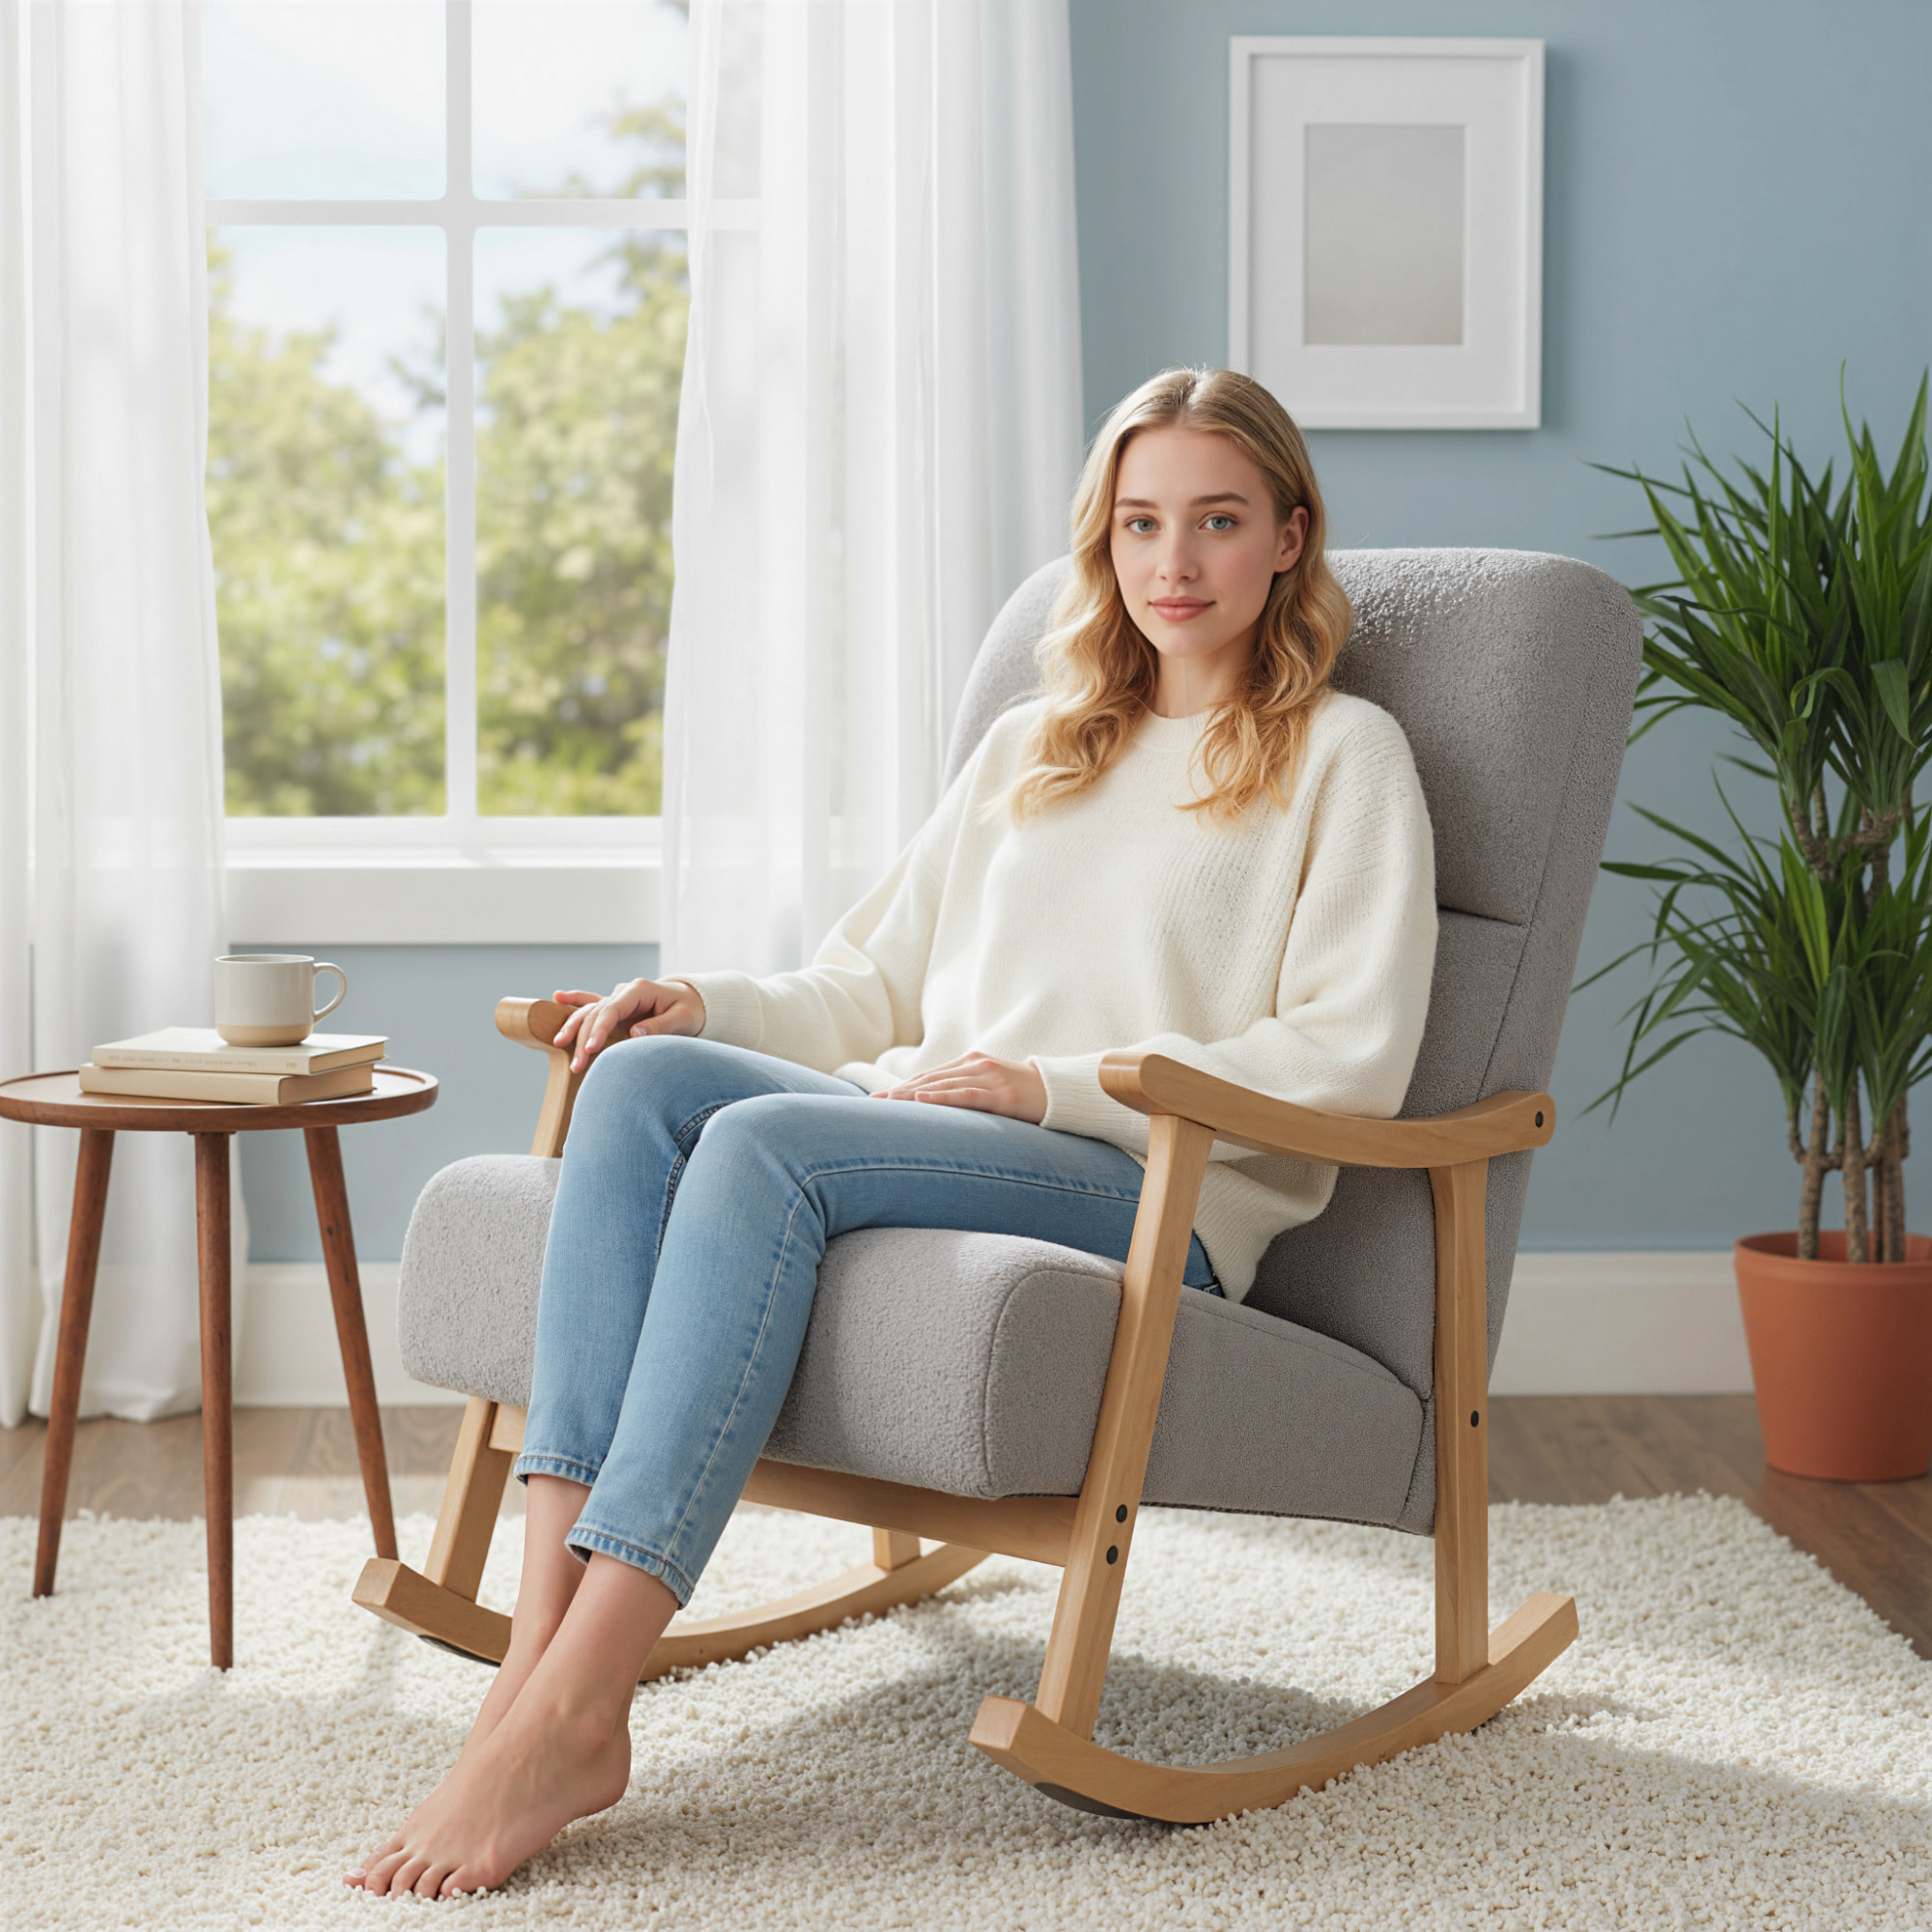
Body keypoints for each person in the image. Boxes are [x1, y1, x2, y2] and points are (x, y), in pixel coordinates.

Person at [347, 366, 1437, 1899]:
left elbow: (1348, 1057)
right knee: (647, 1088)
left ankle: (586, 1691)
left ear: (1287, 537)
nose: (1173, 563)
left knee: (764, 1149)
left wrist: (1049, 1084)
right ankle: (535, 1673)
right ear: (1104, 543)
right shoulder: (1033, 747)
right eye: (1139, 524)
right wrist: (698, 998)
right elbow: (869, 983)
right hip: (930, 1124)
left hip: (1147, 1185)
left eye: (1215, 520)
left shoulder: (1343, 757)